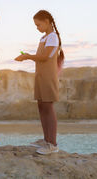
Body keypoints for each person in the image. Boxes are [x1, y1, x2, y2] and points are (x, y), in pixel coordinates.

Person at [15, 10, 64, 154]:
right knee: (41, 106)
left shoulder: (53, 37)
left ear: (47, 22)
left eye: (38, 24)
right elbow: (41, 56)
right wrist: (28, 56)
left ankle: (52, 144)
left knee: (48, 107)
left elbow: (45, 57)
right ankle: (46, 140)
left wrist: (28, 57)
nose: (37, 28)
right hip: (41, 75)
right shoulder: (44, 38)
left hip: (48, 76)